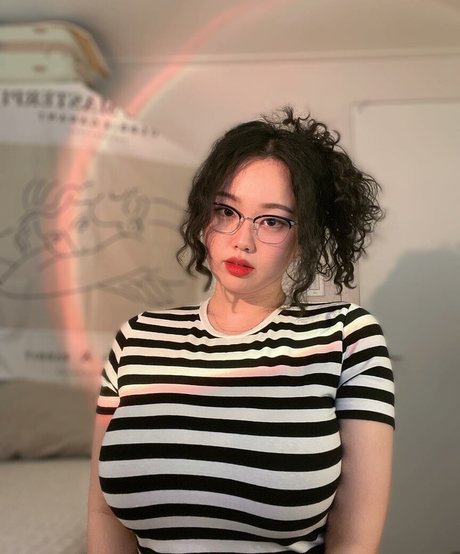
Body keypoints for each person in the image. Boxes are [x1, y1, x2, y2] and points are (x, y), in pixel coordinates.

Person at [87, 107, 394, 554]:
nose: (242, 240)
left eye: (272, 221)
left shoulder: (347, 336)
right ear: (203, 216)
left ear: (304, 238)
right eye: (226, 211)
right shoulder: (137, 337)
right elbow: (103, 513)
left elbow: (355, 534)